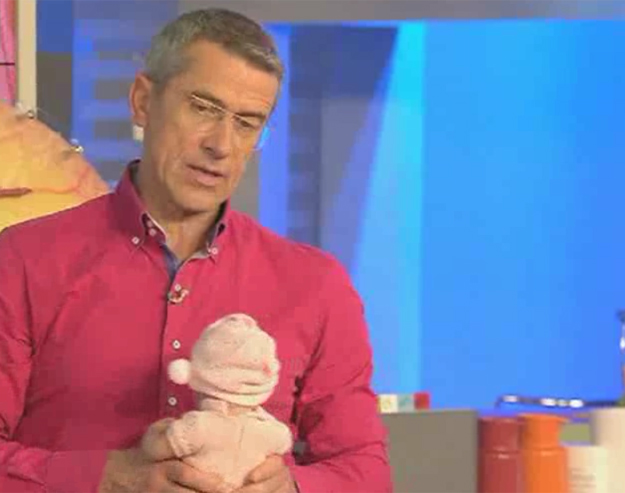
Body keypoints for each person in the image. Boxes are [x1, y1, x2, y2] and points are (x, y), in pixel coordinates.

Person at [0, 7, 392, 493]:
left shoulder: (317, 286)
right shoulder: (23, 261)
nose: (221, 144)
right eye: (203, 108)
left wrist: (290, 488)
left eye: (247, 123)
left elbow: (364, 469)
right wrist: (108, 478)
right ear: (143, 101)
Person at [140, 313, 293, 491]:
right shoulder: (274, 432)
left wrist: (157, 431)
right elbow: (285, 443)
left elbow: (154, 450)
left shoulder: (197, 426)